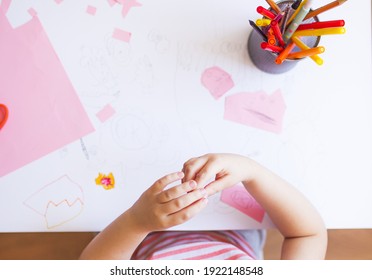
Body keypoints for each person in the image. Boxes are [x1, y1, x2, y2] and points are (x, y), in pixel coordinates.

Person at [79, 153, 327, 260]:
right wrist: (252, 171)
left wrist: (136, 222)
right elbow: (309, 234)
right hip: (237, 230)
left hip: (133, 235)